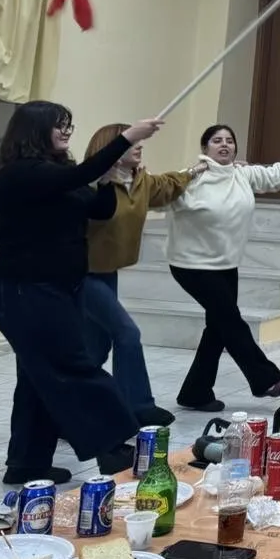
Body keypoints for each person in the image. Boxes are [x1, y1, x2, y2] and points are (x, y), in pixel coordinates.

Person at [0, 103, 162, 483]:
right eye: (59, 125)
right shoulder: (20, 174)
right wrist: (126, 138)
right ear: (35, 130)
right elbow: (78, 176)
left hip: (55, 289)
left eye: (69, 125)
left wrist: (108, 179)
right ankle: (114, 448)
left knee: (37, 377)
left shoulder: (59, 173)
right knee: (72, 364)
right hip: (22, 292)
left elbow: (99, 209)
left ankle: (26, 463)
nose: (67, 131)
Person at [167, 123, 280, 412]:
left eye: (229, 140)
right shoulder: (190, 178)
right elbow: (159, 197)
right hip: (191, 264)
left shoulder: (242, 174)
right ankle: (265, 379)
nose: (224, 145)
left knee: (218, 327)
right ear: (205, 148)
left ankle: (195, 392)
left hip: (226, 264)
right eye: (217, 140)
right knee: (230, 321)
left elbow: (278, 174)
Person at [82, 122, 190, 427]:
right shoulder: (89, 182)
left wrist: (195, 171)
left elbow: (166, 186)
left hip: (107, 271)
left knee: (95, 348)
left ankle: (69, 411)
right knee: (126, 333)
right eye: (131, 142)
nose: (139, 146)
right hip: (81, 273)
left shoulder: (139, 180)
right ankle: (138, 407)